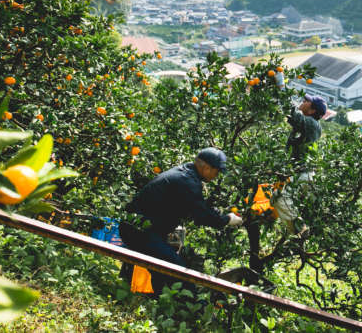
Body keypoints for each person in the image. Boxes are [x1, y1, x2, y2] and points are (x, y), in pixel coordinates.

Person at [120, 147, 243, 293]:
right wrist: (228, 219)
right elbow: (202, 217)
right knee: (177, 273)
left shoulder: (185, 173)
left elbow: (194, 207)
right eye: (216, 171)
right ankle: (188, 310)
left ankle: (159, 302)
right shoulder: (187, 181)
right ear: (205, 167)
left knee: (163, 272)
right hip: (140, 231)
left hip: (139, 227)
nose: (217, 176)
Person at [273, 94, 327, 235]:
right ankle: (299, 233)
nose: (303, 101)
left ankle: (300, 230)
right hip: (295, 173)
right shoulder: (306, 124)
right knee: (278, 197)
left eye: (307, 101)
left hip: (303, 175)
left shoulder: (311, 124)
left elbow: (291, 113)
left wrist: (280, 88)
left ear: (312, 110)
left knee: (278, 196)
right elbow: (291, 117)